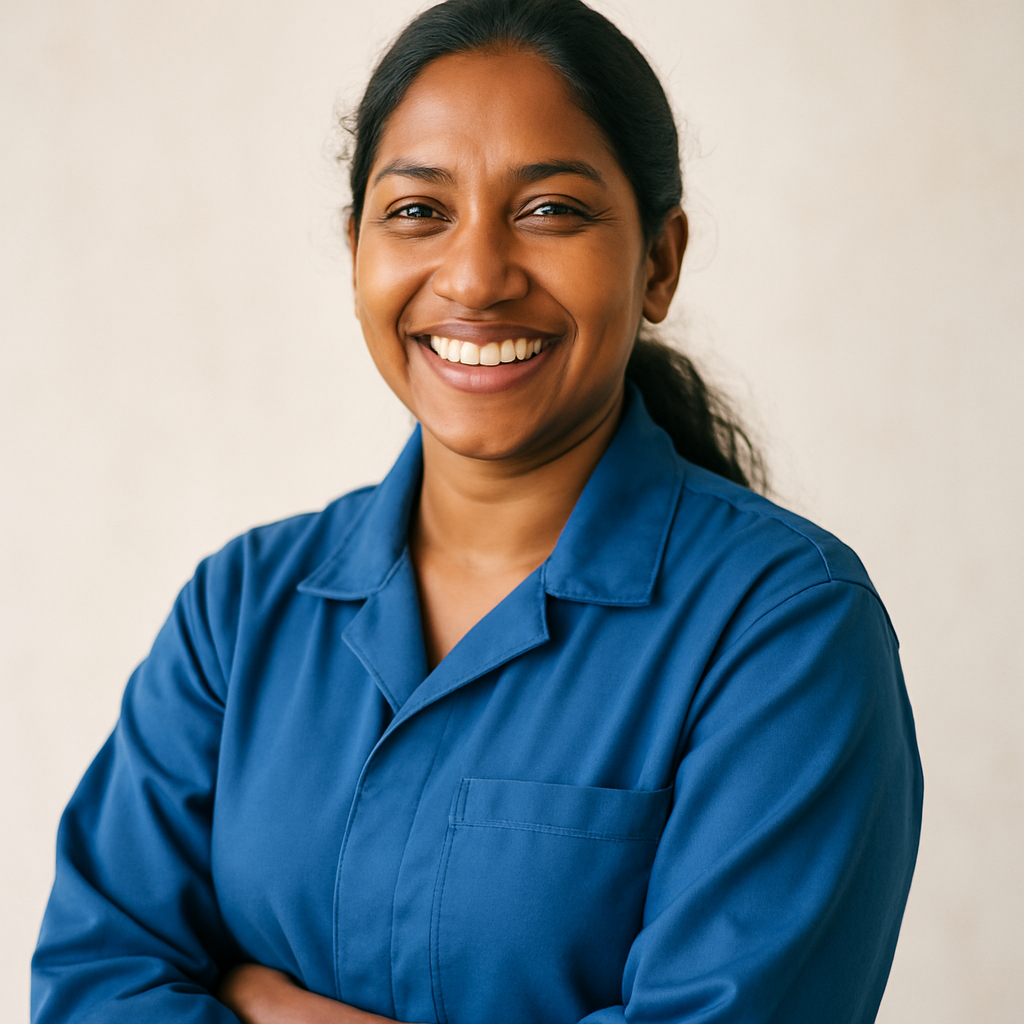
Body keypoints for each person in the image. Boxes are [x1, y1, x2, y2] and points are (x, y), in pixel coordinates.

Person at [31, 1, 923, 1022]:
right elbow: (92, 984)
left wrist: (271, 1009)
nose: (474, 277)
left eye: (550, 210)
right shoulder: (238, 612)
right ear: (356, 252)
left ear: (659, 262)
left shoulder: (785, 630)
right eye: (418, 211)